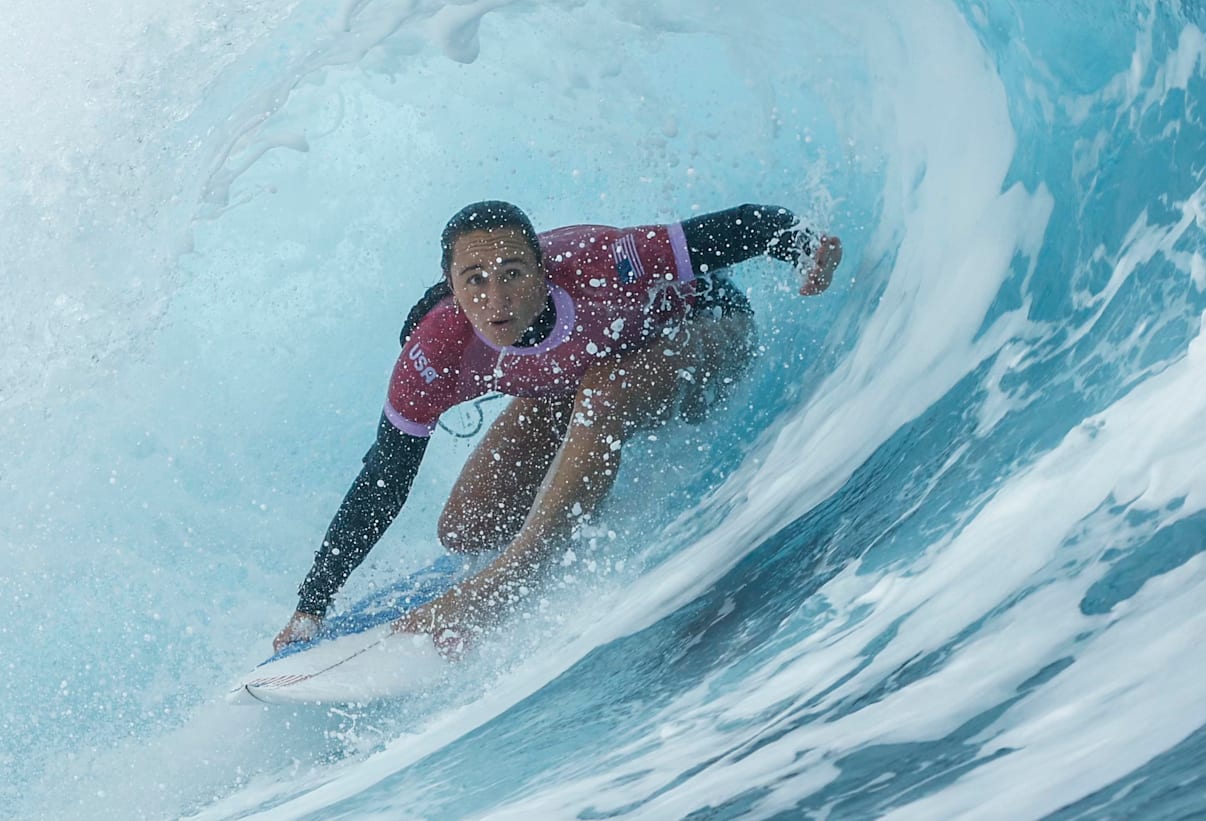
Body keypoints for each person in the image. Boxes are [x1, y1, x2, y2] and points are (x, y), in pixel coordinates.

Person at [272, 200, 841, 653]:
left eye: (513, 274)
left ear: (542, 269)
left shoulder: (603, 261)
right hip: (577, 378)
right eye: (474, 281)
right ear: (451, 286)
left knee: (603, 390)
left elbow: (743, 227)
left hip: (703, 332)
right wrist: (311, 606)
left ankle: (509, 577)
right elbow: (383, 480)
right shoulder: (436, 352)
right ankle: (540, 525)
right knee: (467, 529)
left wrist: (804, 250)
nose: (496, 299)